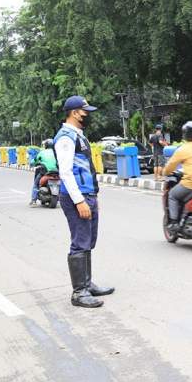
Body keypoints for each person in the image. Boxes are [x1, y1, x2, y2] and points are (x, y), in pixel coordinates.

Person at [54, 95, 115, 308]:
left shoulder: (78, 135)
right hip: (76, 197)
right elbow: (66, 172)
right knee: (80, 242)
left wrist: (93, 196)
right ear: (74, 113)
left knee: (88, 240)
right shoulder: (65, 138)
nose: (88, 115)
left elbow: (87, 167)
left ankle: (87, 284)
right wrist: (79, 201)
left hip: (87, 195)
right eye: (85, 111)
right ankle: (79, 292)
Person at [29, 139, 58, 207]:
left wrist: (31, 164)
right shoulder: (56, 152)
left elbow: (35, 160)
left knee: (36, 184)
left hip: (46, 172)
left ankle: (33, 201)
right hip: (57, 173)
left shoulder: (42, 152)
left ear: (46, 145)